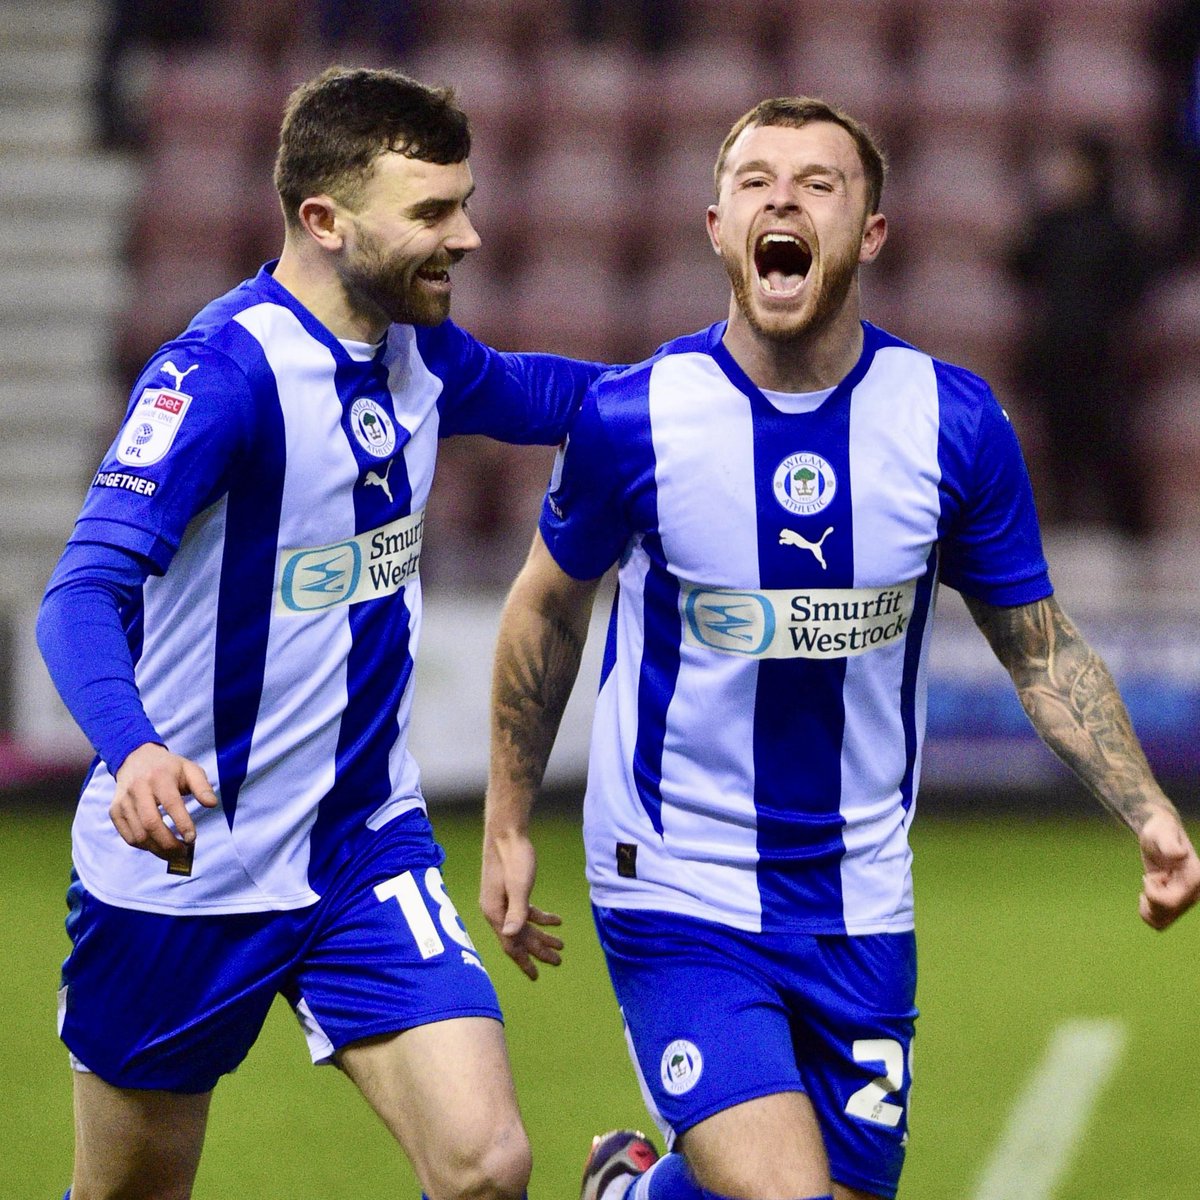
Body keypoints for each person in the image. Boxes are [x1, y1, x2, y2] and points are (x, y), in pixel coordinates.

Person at [480, 97, 1200, 1200]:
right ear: (715, 223)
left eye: (819, 182)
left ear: (870, 231)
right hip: (677, 883)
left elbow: (1039, 648)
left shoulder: (953, 425)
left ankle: (630, 1190)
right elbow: (543, 609)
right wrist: (508, 818)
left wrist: (1149, 809)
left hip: (861, 895)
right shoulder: (636, 420)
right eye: (757, 179)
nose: (783, 197)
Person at [38, 65, 595, 1200]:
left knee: (487, 1166)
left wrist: (721, 396)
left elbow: (552, 398)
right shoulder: (221, 381)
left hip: (357, 840)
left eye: (468, 202)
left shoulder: (418, 349)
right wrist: (134, 747)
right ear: (325, 221)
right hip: (187, 861)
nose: (471, 236)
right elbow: (79, 595)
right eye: (435, 212)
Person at [1007, 129, 1154, 536]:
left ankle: (1131, 533)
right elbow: (1019, 266)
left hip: (1100, 356)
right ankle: (1059, 529)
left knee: (1108, 444)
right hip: (1054, 351)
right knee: (1057, 446)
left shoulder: (1117, 230)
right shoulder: (1049, 225)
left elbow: (1135, 287)